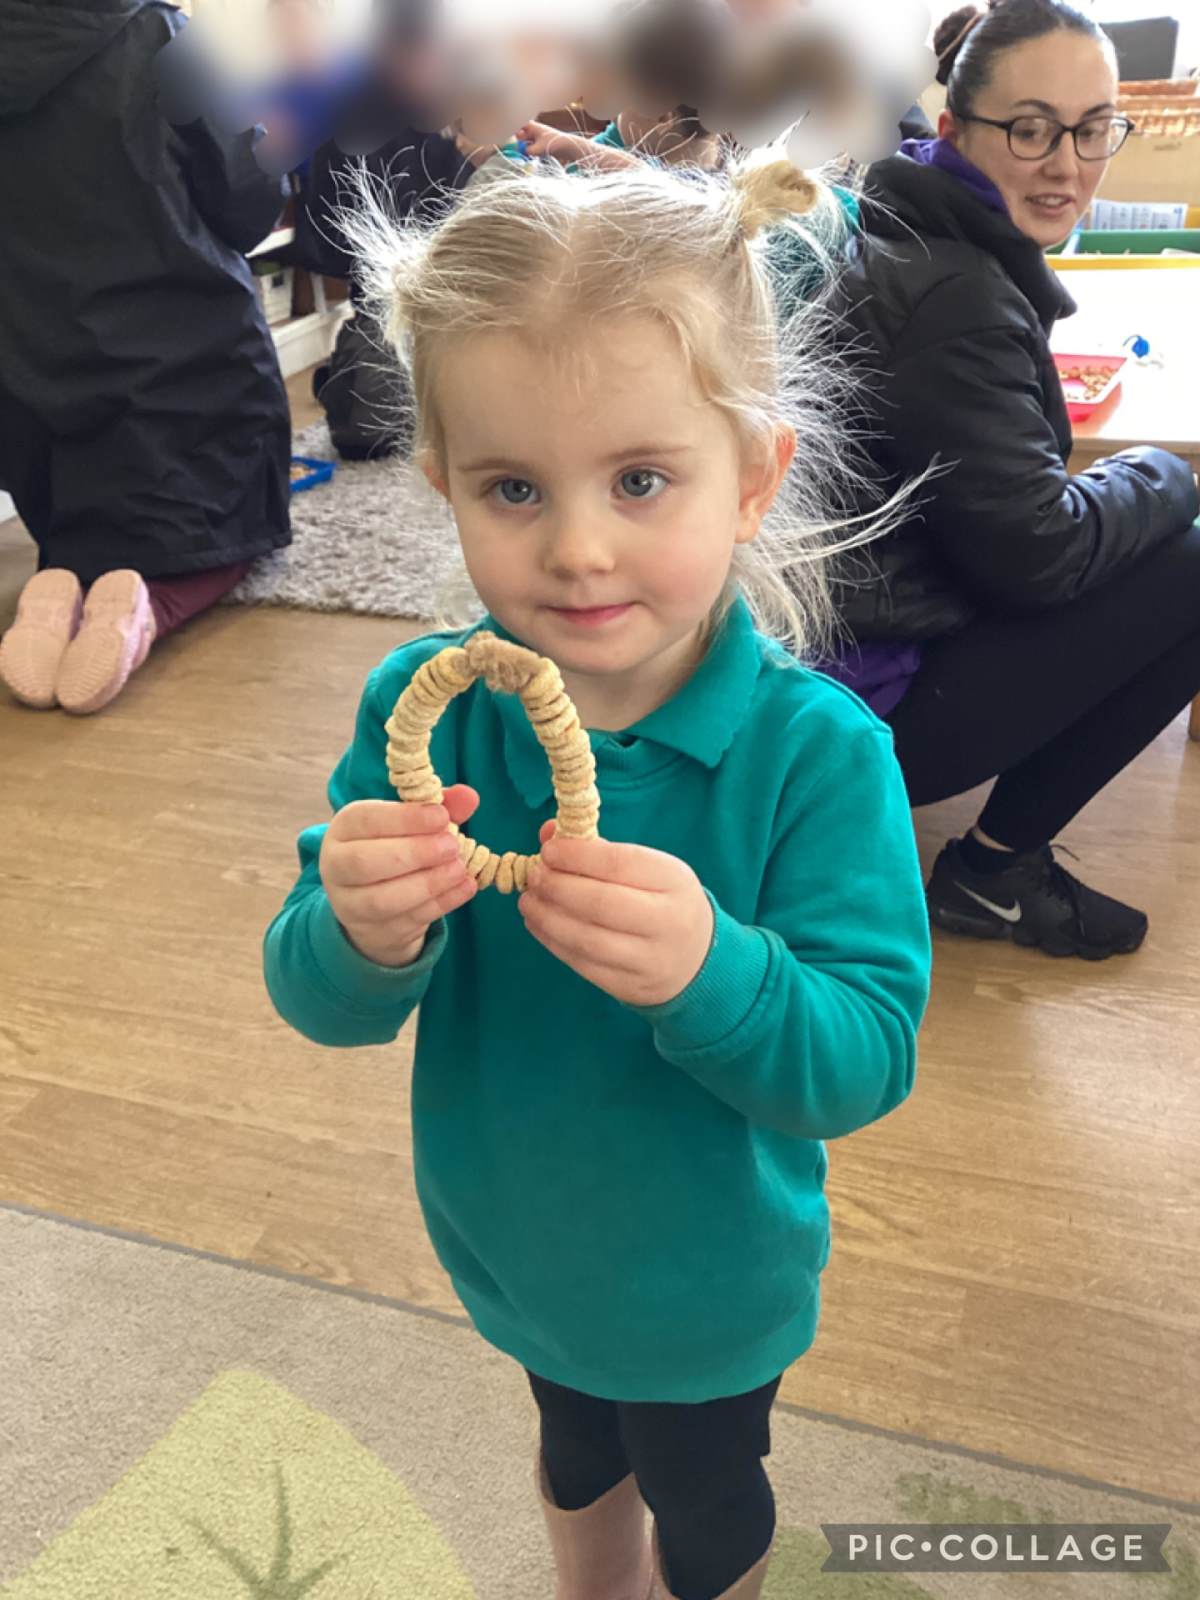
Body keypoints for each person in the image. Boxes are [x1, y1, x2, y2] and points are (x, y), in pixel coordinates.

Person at [263, 157, 931, 1599]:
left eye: (640, 480)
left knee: (704, 1491)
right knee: (573, 1445)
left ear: (753, 477)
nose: (576, 549)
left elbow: (866, 1059)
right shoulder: (428, 718)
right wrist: (359, 932)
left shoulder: (818, 758)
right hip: (510, 1241)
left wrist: (716, 971)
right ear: (441, 484)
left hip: (707, 1283)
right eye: (513, 487)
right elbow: (318, 998)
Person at [823, 0, 1200, 960]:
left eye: (1092, 128)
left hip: (869, 627)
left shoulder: (917, 224)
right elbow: (1040, 554)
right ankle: (992, 877)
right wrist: (1168, 473)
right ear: (955, 128)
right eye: (1030, 129)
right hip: (861, 713)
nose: (1067, 164)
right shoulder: (955, 297)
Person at [0, 0, 291, 715]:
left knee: (91, 536)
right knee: (231, 542)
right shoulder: (157, 33)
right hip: (188, 378)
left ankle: (61, 587)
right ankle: (146, 609)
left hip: (37, 399)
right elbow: (246, 204)